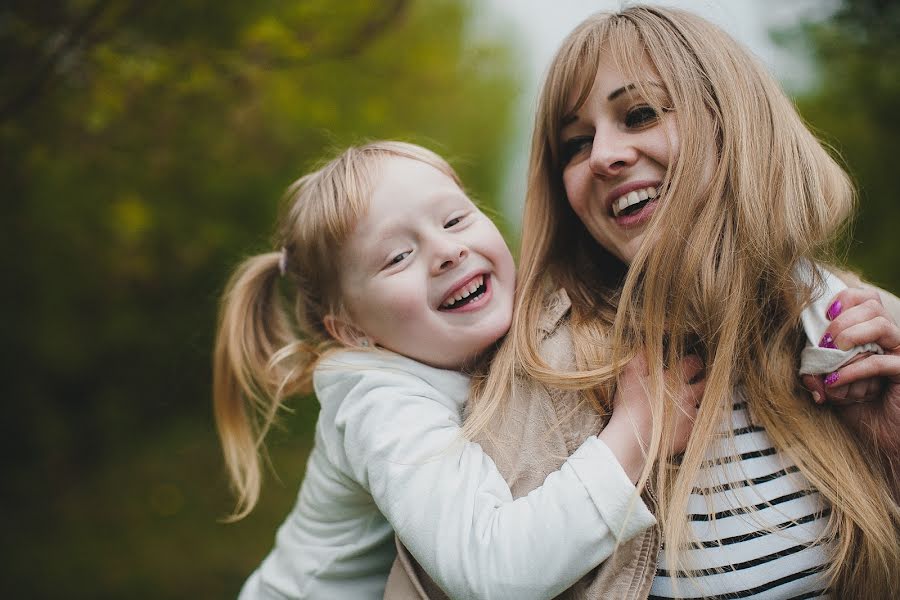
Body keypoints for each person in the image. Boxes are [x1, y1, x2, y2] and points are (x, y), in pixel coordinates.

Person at [385, 6, 900, 600]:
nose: (604, 155)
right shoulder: (542, 371)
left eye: (640, 114)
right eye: (576, 144)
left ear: (733, 121)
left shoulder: (860, 328)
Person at [214, 141, 713, 599]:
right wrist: (634, 434)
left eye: (454, 220)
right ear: (350, 330)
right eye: (398, 257)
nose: (447, 251)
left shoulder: (455, 349)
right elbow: (492, 572)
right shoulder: (380, 403)